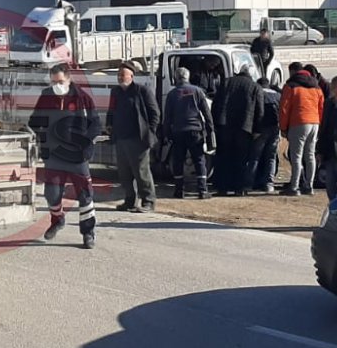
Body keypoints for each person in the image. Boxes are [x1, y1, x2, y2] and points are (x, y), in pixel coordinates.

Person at [28, 64, 103, 249]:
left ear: (69, 79)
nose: (57, 85)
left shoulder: (82, 98)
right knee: (51, 194)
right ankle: (57, 220)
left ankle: (88, 233)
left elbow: (96, 126)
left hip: (77, 157)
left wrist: (84, 143)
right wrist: (42, 140)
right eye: (53, 82)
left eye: (60, 82)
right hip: (53, 156)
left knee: (85, 196)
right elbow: (34, 122)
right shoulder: (46, 96)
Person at [107, 60, 160, 213]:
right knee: (124, 173)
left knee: (141, 172)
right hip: (121, 138)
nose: (119, 77)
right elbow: (111, 110)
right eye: (118, 75)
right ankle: (129, 201)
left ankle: (148, 201)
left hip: (138, 139)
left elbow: (154, 113)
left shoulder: (141, 91)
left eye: (122, 75)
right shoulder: (115, 92)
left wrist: (150, 131)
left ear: (131, 76)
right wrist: (109, 124)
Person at [163, 67, 216, 199]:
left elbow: (167, 117)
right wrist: (210, 130)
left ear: (176, 78)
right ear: (188, 77)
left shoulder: (172, 94)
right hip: (195, 132)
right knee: (199, 160)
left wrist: (166, 134)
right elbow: (206, 113)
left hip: (178, 132)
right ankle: (202, 191)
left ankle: (179, 191)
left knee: (178, 161)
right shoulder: (197, 91)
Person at [212, 63, 264, 196]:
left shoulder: (227, 82)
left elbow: (216, 104)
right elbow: (260, 111)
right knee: (241, 159)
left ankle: (222, 188)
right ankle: (239, 189)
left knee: (224, 157)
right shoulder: (255, 87)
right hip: (244, 127)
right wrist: (257, 130)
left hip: (225, 126)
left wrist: (215, 124)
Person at [279, 67, 325, 196]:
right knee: (310, 155)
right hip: (314, 123)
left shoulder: (291, 86)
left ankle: (294, 187)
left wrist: (283, 128)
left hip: (298, 122)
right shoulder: (316, 87)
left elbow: (284, 108)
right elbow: (321, 107)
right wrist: (319, 124)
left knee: (296, 156)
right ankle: (309, 186)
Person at [247, 77, 282, 193]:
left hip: (261, 129)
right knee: (271, 157)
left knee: (255, 157)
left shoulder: (258, 93)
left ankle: (250, 183)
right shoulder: (278, 95)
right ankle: (269, 184)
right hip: (275, 129)